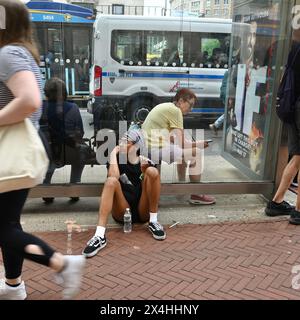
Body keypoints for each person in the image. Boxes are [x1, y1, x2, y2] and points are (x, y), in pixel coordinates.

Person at [0, 0, 85, 300]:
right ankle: (13, 286)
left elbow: (31, 101)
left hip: (9, 151)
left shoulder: (7, 54)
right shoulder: (22, 54)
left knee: (6, 228)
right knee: (8, 225)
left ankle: (61, 263)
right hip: (18, 151)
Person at [82, 129, 165, 258]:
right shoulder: (116, 159)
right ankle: (99, 236)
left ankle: (153, 221)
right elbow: (113, 176)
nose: (121, 143)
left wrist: (144, 170)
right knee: (110, 182)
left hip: (142, 208)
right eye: (121, 140)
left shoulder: (144, 158)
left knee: (153, 172)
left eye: (127, 141)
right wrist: (113, 154)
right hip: (123, 210)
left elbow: (150, 183)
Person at [142, 88, 216, 205]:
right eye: (190, 105)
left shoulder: (168, 107)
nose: (191, 109)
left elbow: (176, 140)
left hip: (147, 147)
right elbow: (183, 144)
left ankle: (181, 186)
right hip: (154, 149)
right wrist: (199, 144)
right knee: (195, 152)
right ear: (181, 101)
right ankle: (196, 194)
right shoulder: (176, 111)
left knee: (183, 151)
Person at [264, 28, 300, 224]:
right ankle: (298, 212)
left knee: (296, 157)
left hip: (293, 107)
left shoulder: (294, 49)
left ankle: (276, 202)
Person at [40, 77, 86, 203]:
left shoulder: (40, 108)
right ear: (64, 92)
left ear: (46, 92)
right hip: (69, 152)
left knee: (50, 152)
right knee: (82, 152)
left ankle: (46, 185)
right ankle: (74, 184)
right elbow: (80, 133)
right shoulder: (73, 108)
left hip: (45, 153)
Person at [209, 70, 228, 136]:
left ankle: (216, 125)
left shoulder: (228, 71)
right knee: (230, 112)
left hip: (224, 92)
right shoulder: (234, 71)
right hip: (228, 94)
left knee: (229, 112)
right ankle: (216, 125)